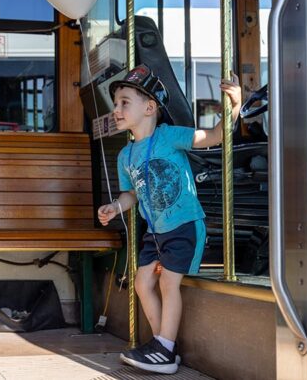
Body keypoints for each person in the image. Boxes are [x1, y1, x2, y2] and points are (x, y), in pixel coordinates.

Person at [98, 64, 241, 375]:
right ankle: (164, 345)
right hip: (156, 230)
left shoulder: (170, 136)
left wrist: (234, 106)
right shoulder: (125, 156)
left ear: (149, 107)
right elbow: (131, 195)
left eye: (124, 103)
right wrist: (115, 206)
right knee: (141, 283)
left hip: (183, 224)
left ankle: (163, 347)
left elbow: (215, 136)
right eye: (115, 104)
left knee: (167, 282)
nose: (116, 110)